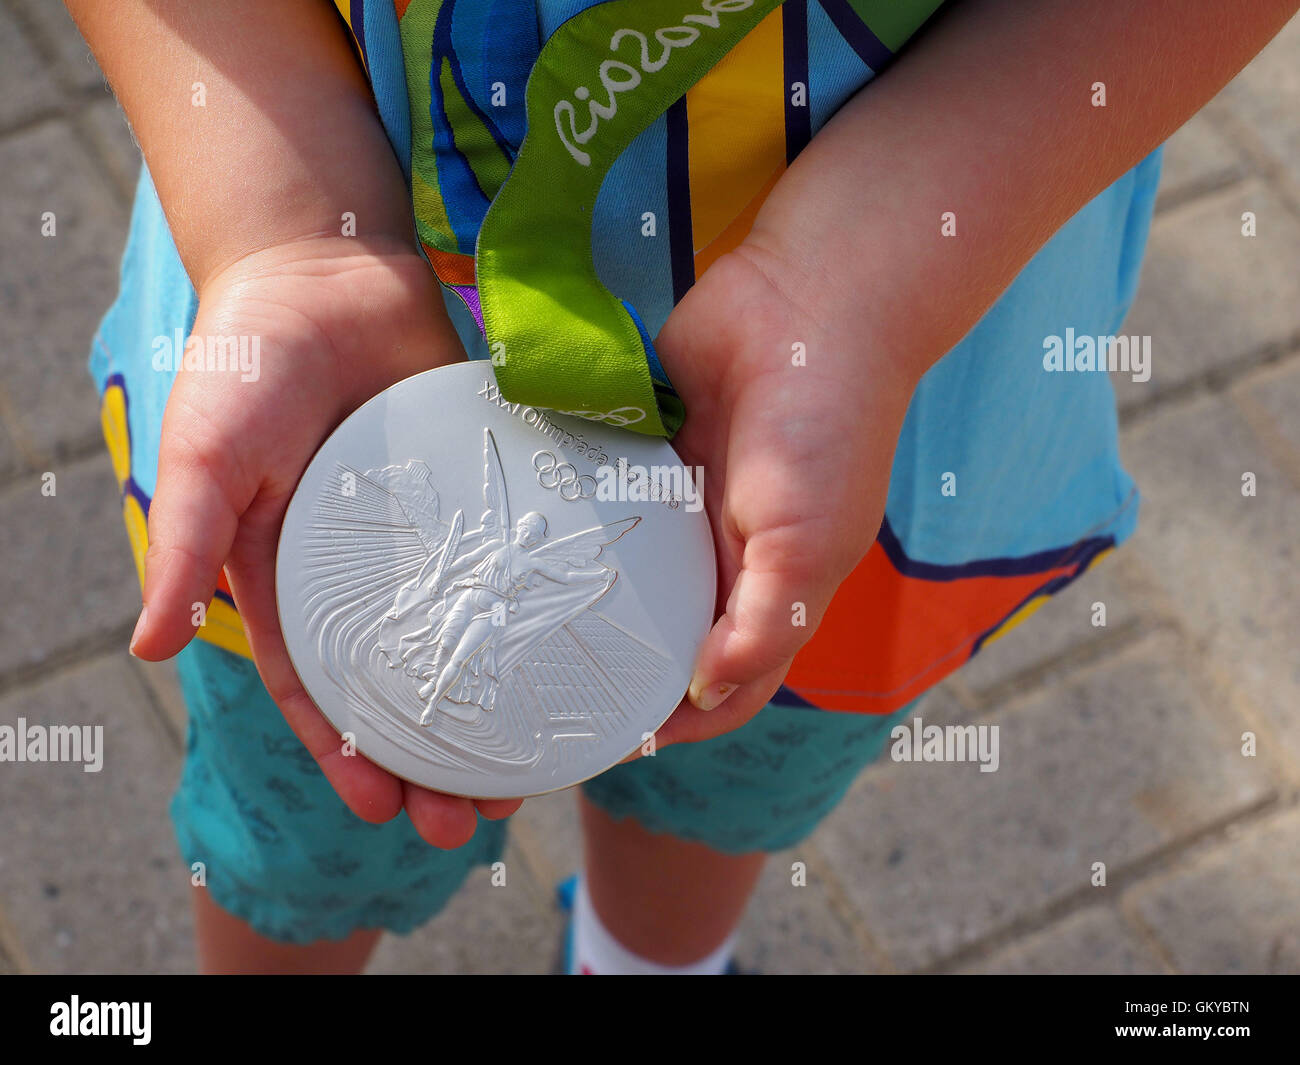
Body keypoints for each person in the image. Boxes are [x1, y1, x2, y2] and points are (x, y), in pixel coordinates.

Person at [70, 0, 1297, 974]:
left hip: (878, 372)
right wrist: (280, 226)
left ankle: (646, 964)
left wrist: (856, 283)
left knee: (736, 753)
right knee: (303, 829)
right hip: (331, 413)